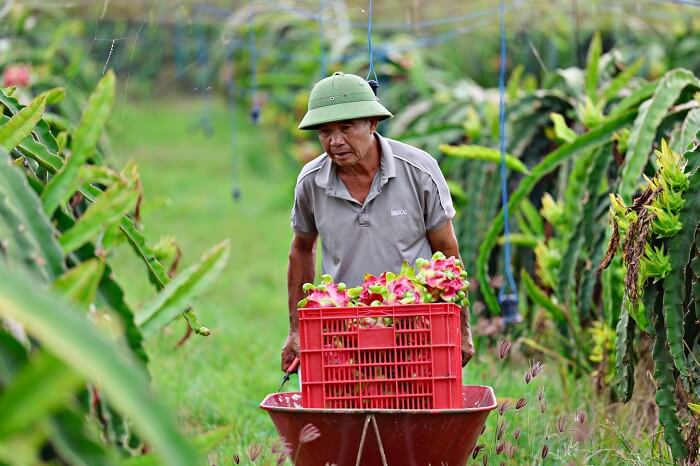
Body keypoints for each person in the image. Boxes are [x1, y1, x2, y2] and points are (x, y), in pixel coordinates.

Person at [281, 72, 474, 373]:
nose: (335, 141)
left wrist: (461, 328)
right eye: (325, 132)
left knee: (417, 400)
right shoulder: (311, 181)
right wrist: (296, 330)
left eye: (346, 128)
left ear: (372, 123)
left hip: (417, 328)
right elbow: (301, 249)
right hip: (344, 333)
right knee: (350, 402)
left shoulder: (419, 171)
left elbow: (447, 251)